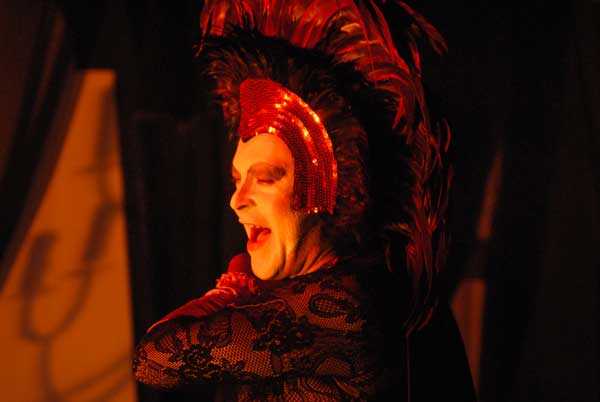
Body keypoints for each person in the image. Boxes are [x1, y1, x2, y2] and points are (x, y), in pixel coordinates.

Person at [133, 1, 476, 400]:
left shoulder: (342, 308)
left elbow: (155, 359)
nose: (237, 201)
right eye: (237, 180)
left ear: (322, 188)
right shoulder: (315, 297)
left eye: (264, 178)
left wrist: (234, 290)